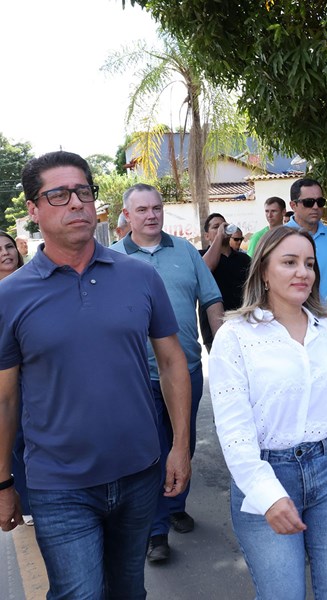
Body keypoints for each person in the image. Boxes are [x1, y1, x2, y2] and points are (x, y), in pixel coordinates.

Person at [0, 151, 191, 598]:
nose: (76, 203)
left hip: (139, 473)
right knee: (79, 594)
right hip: (58, 485)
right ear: (33, 209)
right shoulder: (10, 295)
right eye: (59, 194)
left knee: (129, 589)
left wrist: (180, 447)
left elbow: (171, 362)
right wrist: (4, 481)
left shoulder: (139, 277)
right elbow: (5, 398)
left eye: (83, 192)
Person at [209, 226, 327, 599]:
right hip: (268, 470)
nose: (303, 272)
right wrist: (266, 494)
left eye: (309, 264)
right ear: (264, 271)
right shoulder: (235, 337)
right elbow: (234, 430)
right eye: (289, 262)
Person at [111, 183, 224, 562]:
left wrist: (225, 348)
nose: (151, 215)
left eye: (156, 208)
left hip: (186, 370)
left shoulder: (186, 252)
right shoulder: (112, 259)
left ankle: (175, 505)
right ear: (127, 216)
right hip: (137, 376)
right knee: (152, 452)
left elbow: (212, 300)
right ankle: (156, 531)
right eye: (142, 210)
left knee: (182, 443)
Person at [0, 231, 31, 526]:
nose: (5, 253)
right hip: (6, 378)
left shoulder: (33, 284)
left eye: (9, 247)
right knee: (16, 440)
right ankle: (26, 500)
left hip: (36, 374)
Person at [286, 179, 327, 302]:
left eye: (320, 202)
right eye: (309, 202)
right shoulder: (279, 239)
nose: (315, 207)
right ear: (293, 205)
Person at [200, 213, 251, 350]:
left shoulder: (244, 259)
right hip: (214, 329)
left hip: (244, 326)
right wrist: (219, 237)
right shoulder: (200, 256)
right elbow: (205, 270)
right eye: (216, 227)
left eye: (224, 226)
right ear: (207, 236)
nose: (221, 229)